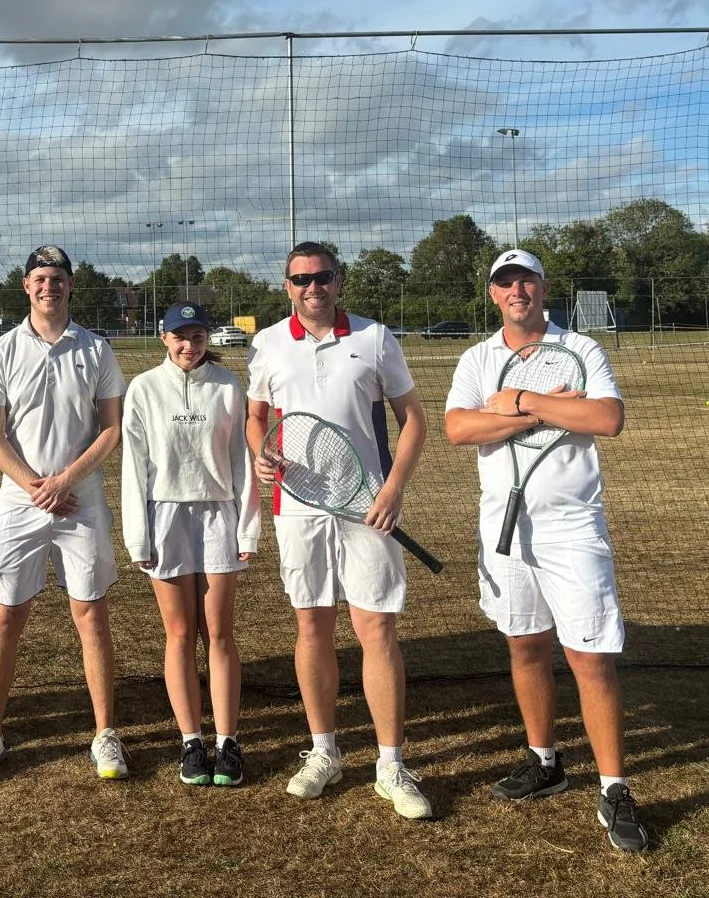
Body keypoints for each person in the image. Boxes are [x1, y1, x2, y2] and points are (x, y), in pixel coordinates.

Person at [444, 249, 649, 852]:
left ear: (543, 287)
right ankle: (545, 761)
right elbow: (459, 428)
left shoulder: (581, 349)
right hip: (502, 527)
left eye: (525, 280)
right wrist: (543, 409)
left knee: (590, 657)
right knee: (525, 645)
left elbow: (607, 418)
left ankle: (613, 787)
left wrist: (522, 402)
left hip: (571, 527)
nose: (516, 290)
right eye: (504, 282)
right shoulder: (478, 357)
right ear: (492, 295)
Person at [245, 241, 433, 818]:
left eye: (322, 277)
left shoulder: (375, 338)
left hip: (367, 507)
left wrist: (393, 489)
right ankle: (323, 751)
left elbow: (415, 419)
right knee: (312, 626)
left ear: (339, 282)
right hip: (298, 508)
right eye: (301, 279)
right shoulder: (269, 342)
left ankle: (391, 764)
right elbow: (256, 418)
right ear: (287, 286)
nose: (313, 287)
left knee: (376, 630)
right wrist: (260, 453)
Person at [0, 245, 128, 781]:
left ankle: (105, 734)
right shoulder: (4, 350)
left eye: (57, 278)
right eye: (38, 279)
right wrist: (37, 486)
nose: (48, 287)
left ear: (71, 285)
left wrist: (64, 481)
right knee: (5, 615)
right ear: (26, 287)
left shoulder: (96, 350)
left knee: (91, 614)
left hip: (81, 501)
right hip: (20, 501)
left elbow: (111, 429)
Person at [121, 301, 261, 787]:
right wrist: (138, 535)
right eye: (180, 336)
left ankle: (227, 742)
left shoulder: (227, 386)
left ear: (207, 340)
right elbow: (133, 468)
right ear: (164, 337)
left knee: (219, 632)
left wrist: (248, 528)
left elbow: (242, 461)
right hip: (167, 518)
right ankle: (191, 742)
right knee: (179, 633)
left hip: (219, 515)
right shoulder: (142, 389)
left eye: (198, 336)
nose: (189, 345)